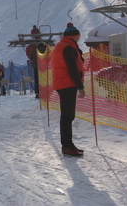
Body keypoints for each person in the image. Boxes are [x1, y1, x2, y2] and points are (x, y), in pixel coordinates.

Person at [51, 22, 86, 156]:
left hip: (62, 83)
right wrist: (80, 87)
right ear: (74, 37)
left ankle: (68, 145)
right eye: (78, 37)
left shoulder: (61, 46)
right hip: (67, 84)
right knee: (67, 116)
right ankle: (67, 146)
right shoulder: (68, 48)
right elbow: (72, 69)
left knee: (67, 115)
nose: (78, 39)